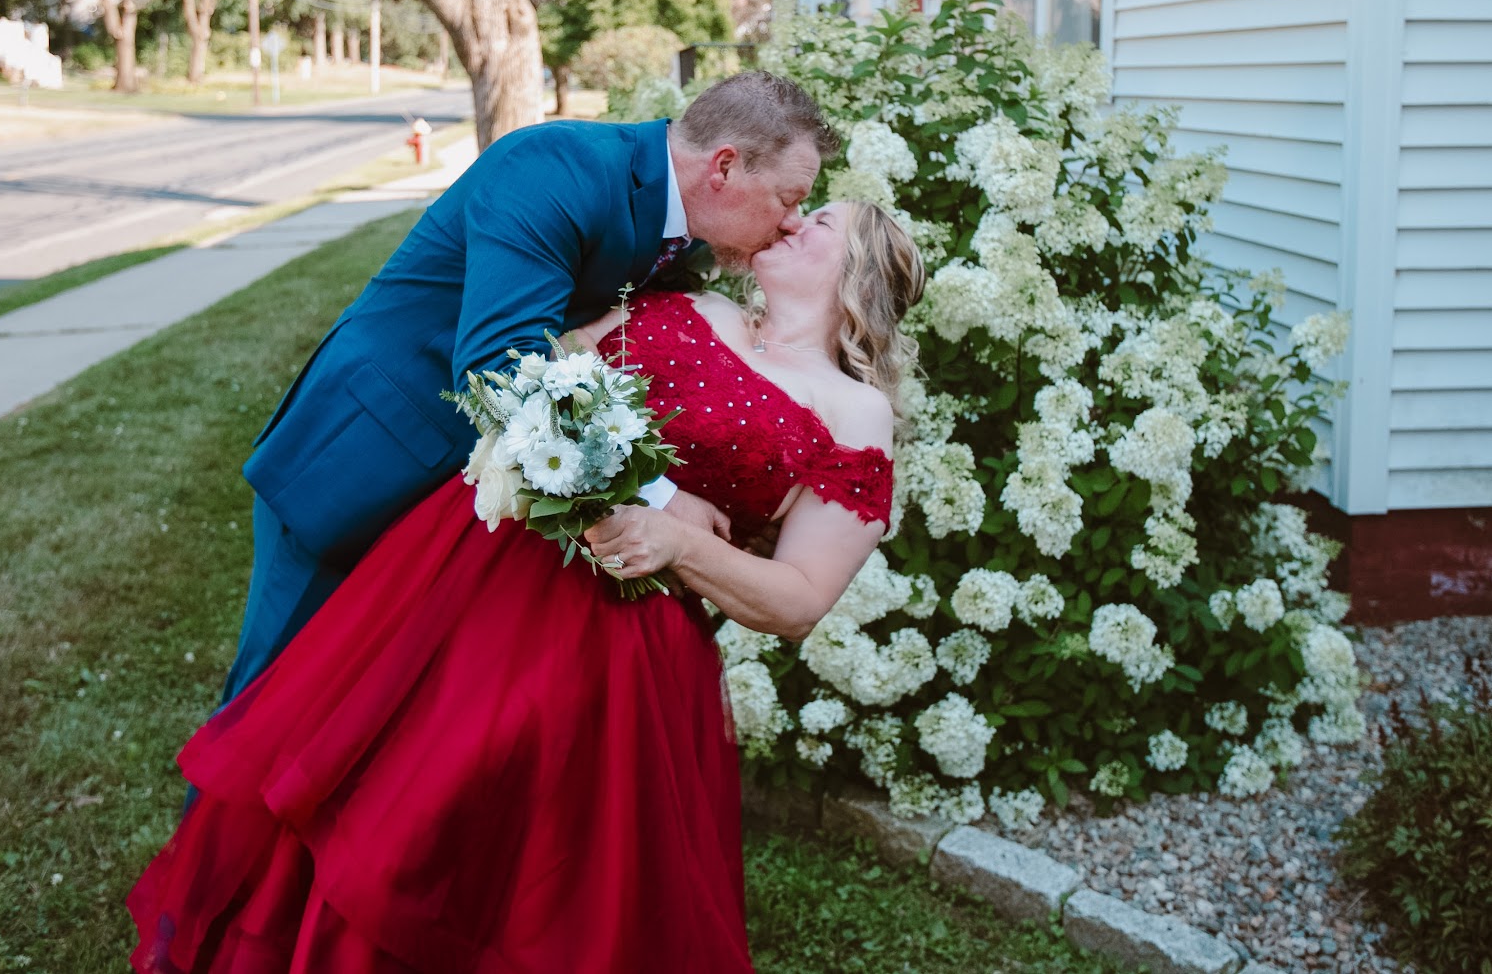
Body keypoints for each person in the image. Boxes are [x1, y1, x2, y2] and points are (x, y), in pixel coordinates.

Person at [126, 199, 928, 972]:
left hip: (616, 652)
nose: (793, 218)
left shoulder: (855, 414)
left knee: (504, 849)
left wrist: (675, 538)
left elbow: (798, 598)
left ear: (860, 273)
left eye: (821, 220)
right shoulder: (699, 306)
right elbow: (545, 373)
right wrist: (633, 479)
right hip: (474, 568)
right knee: (378, 786)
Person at [218, 72, 834, 710]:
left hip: (468, 511)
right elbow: (497, 371)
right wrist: (661, 496)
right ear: (725, 167)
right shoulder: (554, 166)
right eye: (788, 199)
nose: (791, 223)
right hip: (367, 456)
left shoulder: (687, 238)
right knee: (275, 694)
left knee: (371, 713)